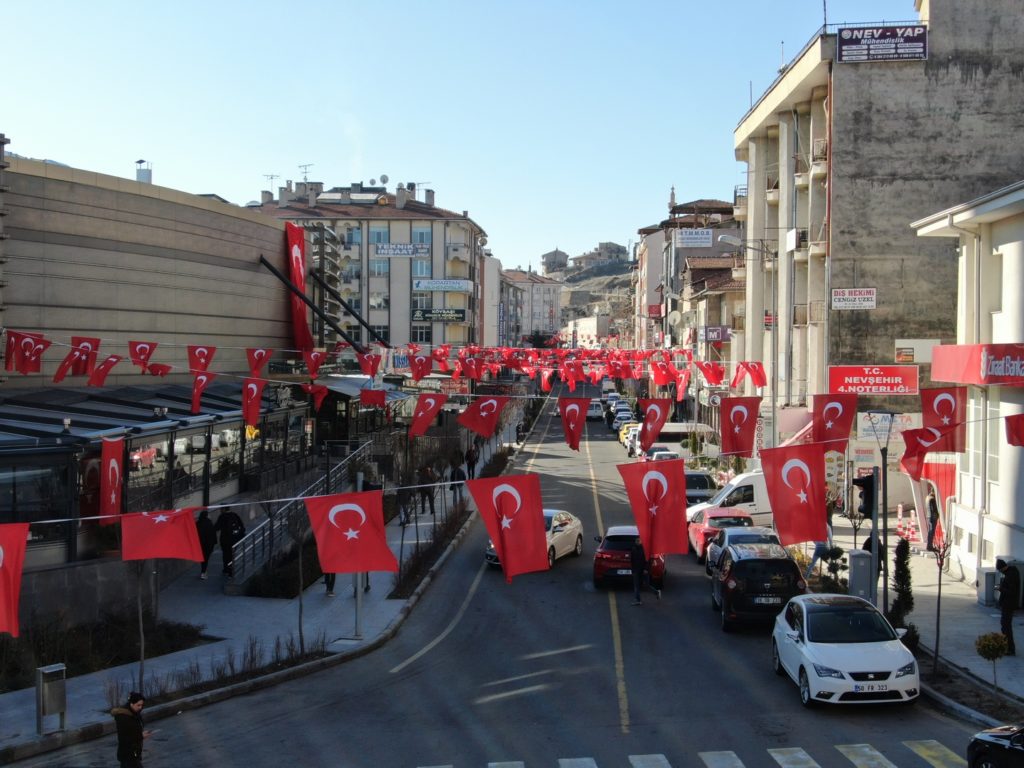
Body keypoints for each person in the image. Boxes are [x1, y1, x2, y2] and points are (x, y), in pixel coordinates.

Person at [111, 691, 151, 768]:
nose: (140, 707)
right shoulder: (123, 717)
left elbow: (134, 730)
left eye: (142, 705)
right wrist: (141, 736)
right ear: (131, 704)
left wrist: (141, 734)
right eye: (138, 705)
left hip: (134, 753)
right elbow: (125, 738)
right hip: (128, 755)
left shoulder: (135, 713)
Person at [214, 507, 246, 578]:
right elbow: (242, 526)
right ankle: (230, 570)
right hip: (234, 539)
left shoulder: (222, 517)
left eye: (221, 509)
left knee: (225, 554)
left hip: (225, 540)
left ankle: (227, 569)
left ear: (224, 509)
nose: (220, 510)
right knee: (231, 555)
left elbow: (217, 527)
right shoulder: (234, 515)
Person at [997, 558, 1019, 656]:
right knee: (1005, 625)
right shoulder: (1011, 572)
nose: (1001, 572)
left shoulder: (1011, 575)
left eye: (1000, 570)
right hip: (1008, 604)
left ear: (1003, 568)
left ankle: (1010, 648)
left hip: (1008, 604)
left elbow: (1011, 591)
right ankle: (1007, 647)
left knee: (1006, 626)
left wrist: (1001, 588)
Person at [630, 536, 660, 605]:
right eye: (636, 541)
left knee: (646, 585)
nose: (637, 542)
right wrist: (632, 569)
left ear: (641, 541)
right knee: (636, 585)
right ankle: (638, 600)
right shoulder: (633, 549)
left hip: (644, 570)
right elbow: (632, 560)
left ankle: (656, 592)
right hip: (636, 570)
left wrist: (646, 569)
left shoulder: (645, 549)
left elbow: (648, 560)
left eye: (639, 540)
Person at [196, 509, 217, 580]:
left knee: (203, 558)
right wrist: (214, 542)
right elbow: (213, 533)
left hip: (201, 544)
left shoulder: (198, 523)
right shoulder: (209, 523)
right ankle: (203, 572)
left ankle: (203, 571)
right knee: (206, 558)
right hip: (208, 544)